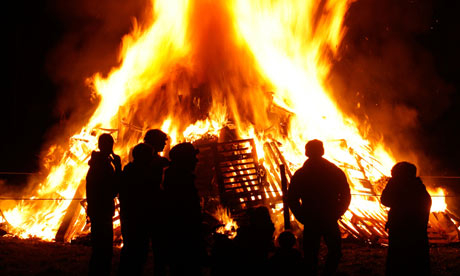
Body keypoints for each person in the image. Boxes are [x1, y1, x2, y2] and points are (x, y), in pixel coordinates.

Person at [287, 139, 351, 276]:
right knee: (335, 251)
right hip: (328, 218)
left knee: (310, 253)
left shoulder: (301, 174)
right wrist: (338, 212)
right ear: (322, 151)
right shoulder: (334, 171)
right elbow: (346, 195)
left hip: (312, 219)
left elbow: (292, 198)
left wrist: (302, 216)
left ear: (306, 152)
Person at [381, 162, 431, 276]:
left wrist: (391, 184)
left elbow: (385, 200)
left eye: (395, 176)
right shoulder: (420, 189)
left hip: (402, 233)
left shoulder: (405, 190)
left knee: (399, 263)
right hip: (417, 235)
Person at [163, 142, 204, 276]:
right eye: (193, 157)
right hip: (184, 239)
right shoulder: (180, 179)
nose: (196, 160)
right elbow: (185, 211)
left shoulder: (176, 176)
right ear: (184, 160)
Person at [86, 133, 121, 276]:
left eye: (111, 144)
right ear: (101, 146)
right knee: (103, 249)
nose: (110, 147)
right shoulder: (102, 165)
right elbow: (113, 189)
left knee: (101, 249)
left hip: (98, 210)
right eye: (107, 144)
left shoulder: (100, 163)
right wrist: (118, 168)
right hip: (102, 210)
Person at [118, 143, 156, 275]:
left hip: (131, 218)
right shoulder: (138, 173)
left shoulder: (130, 170)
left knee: (132, 252)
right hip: (136, 219)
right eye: (149, 156)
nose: (152, 159)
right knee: (135, 252)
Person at [143, 129, 170, 275]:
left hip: (154, 207)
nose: (165, 144)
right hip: (149, 209)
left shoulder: (155, 159)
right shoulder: (149, 160)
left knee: (160, 250)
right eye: (163, 141)